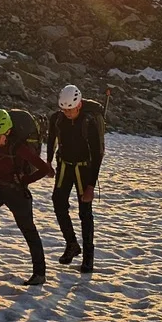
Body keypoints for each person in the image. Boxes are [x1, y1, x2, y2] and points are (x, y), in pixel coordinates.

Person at [0, 108, 55, 286]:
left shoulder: (18, 147)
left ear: (7, 131)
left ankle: (39, 273)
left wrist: (25, 180)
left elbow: (44, 169)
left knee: (28, 229)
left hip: (16, 191)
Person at [46, 84, 107, 273]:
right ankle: (71, 243)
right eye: (64, 110)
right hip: (65, 165)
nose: (67, 113)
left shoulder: (88, 122)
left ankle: (89, 257)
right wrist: (48, 162)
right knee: (58, 202)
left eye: (70, 110)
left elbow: (97, 154)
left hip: (84, 169)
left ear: (79, 105)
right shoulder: (57, 119)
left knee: (85, 213)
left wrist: (90, 186)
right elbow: (51, 140)